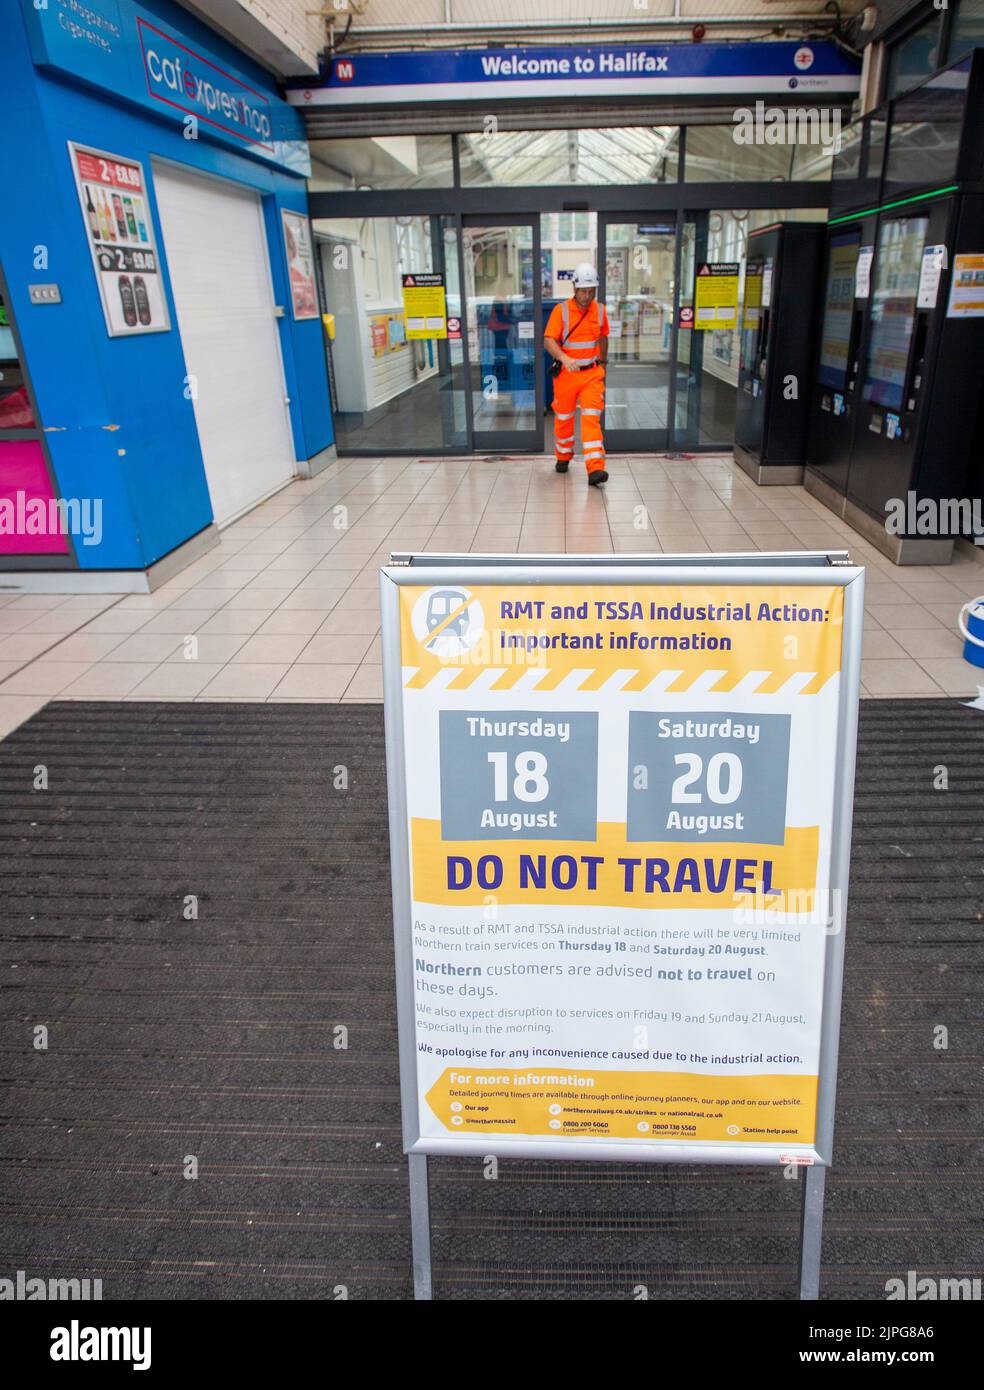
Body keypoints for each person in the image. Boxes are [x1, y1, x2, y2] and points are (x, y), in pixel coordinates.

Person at [543, 262, 609, 486]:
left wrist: (603, 363)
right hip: (567, 375)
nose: (587, 296)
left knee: (591, 419)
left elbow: (603, 337)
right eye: (583, 291)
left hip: (591, 374)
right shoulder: (560, 311)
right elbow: (548, 340)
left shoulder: (600, 310)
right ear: (574, 288)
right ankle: (563, 455)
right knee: (563, 417)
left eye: (591, 291)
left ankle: (595, 468)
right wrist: (563, 358)